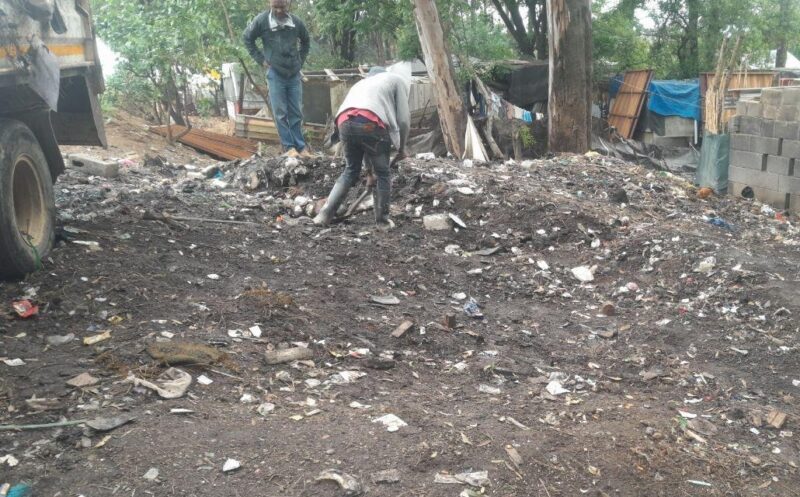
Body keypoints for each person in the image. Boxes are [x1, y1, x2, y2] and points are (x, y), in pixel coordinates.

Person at [313, 68, 410, 229]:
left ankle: (323, 215)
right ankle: (383, 222)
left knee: (350, 170)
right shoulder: (395, 79)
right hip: (370, 124)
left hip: (344, 122)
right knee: (383, 173)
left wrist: (369, 173)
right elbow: (404, 120)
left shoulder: (361, 83)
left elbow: (362, 141)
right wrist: (402, 147)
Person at [243, 0, 311, 159]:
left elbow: (306, 41)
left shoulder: (295, 22)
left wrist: (300, 60)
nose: (279, 10)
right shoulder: (261, 21)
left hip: (293, 72)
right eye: (276, 7)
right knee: (280, 113)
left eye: (282, 7)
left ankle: (301, 148)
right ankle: (289, 148)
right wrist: (261, 59)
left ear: (288, 3)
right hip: (275, 73)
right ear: (269, 3)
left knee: (296, 112)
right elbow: (247, 38)